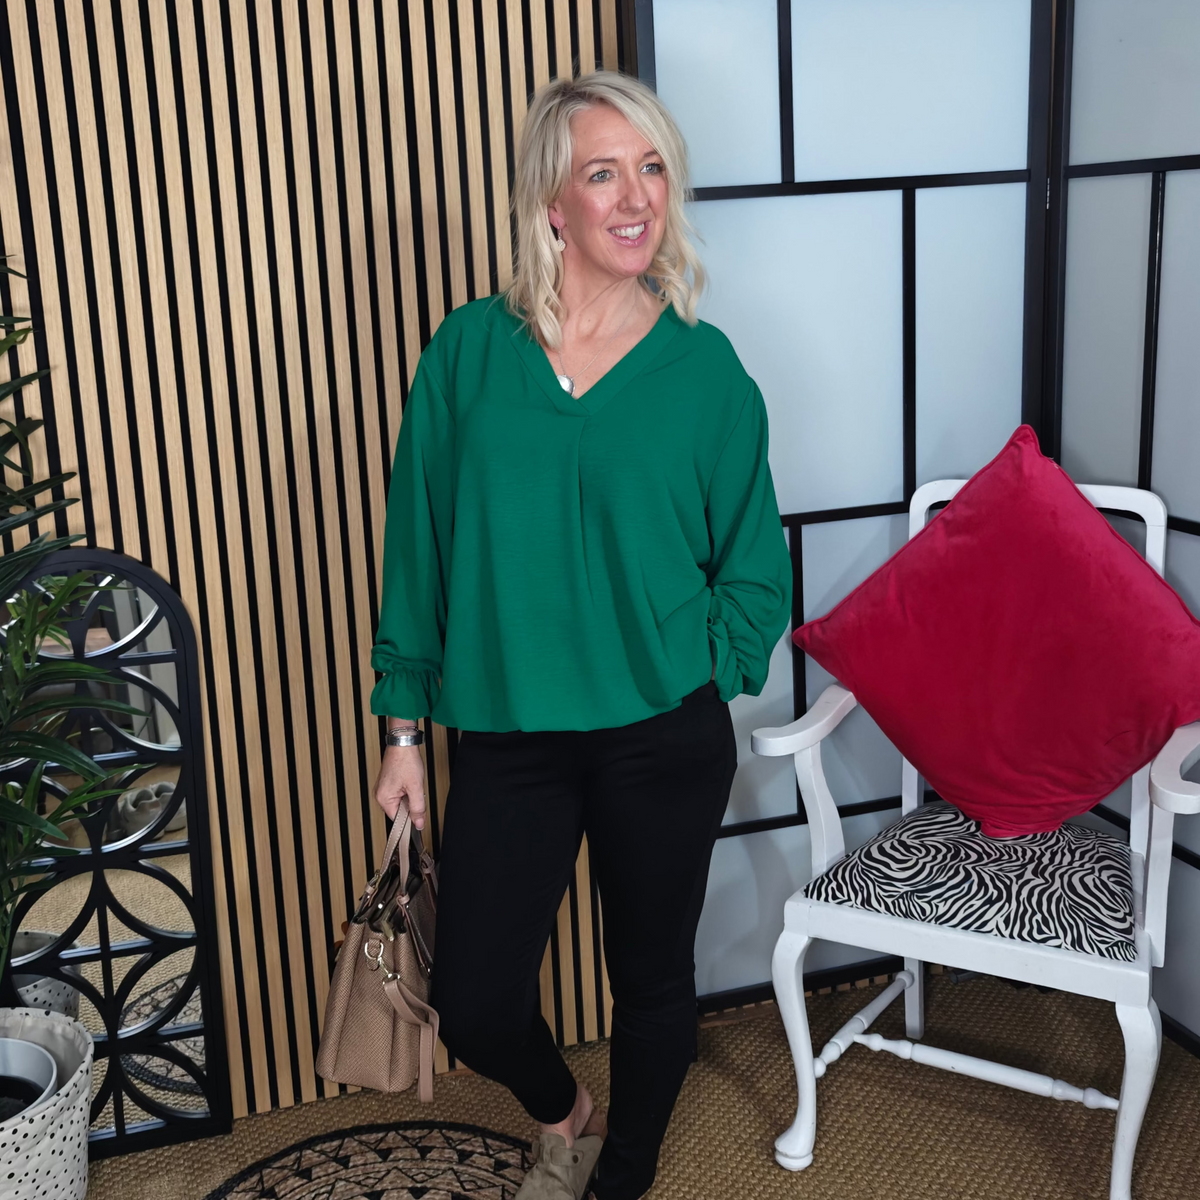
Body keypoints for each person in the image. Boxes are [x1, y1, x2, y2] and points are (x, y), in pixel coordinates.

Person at [370, 71, 791, 1200]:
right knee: (476, 998)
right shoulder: (468, 354)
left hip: (662, 732)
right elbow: (418, 551)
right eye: (604, 173)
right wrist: (404, 731)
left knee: (650, 978)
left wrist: (698, 671)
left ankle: (623, 1175)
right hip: (513, 733)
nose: (636, 196)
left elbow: (756, 572)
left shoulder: (704, 370)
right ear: (552, 203)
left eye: (652, 168)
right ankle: (569, 1114)